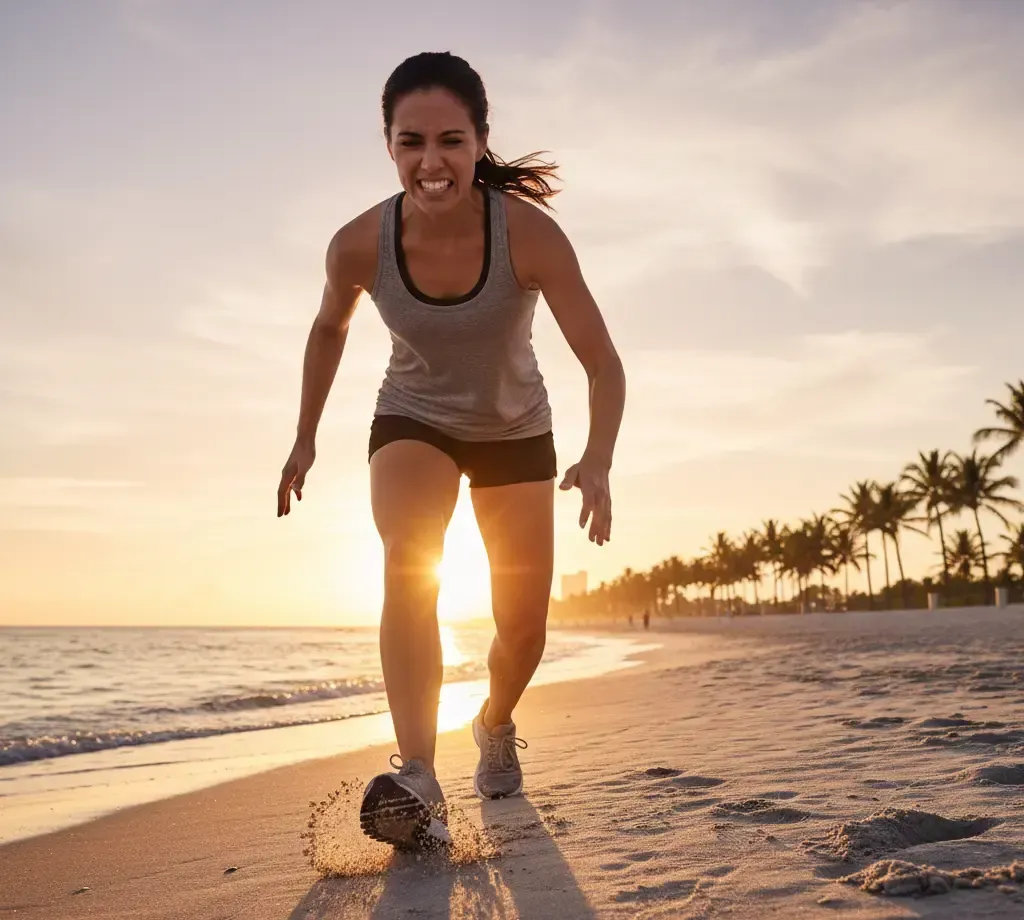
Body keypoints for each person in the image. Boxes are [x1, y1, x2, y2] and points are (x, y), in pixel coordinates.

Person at [277, 51, 625, 851]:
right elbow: (329, 327)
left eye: (450, 141)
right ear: (389, 146)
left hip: (514, 430)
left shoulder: (529, 235)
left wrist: (598, 456)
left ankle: (495, 721)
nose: (430, 161)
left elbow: (603, 362)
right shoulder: (358, 245)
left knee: (524, 629)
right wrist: (305, 435)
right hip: (413, 417)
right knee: (408, 557)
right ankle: (418, 775)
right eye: (410, 142)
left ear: (479, 142)